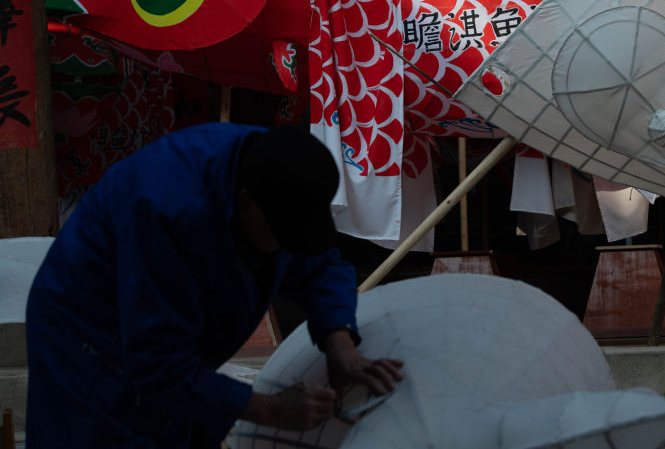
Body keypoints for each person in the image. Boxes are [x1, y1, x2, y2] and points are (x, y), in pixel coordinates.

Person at [25, 122, 403, 447]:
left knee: (184, 424)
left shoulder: (283, 173)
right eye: (283, 237)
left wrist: (340, 344)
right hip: (85, 335)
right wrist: (269, 408)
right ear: (245, 205)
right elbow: (160, 366)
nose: (288, 249)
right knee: (109, 433)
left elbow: (319, 267)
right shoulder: (166, 212)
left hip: (163, 330)